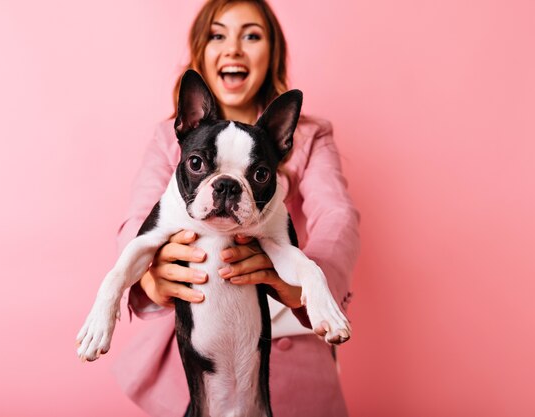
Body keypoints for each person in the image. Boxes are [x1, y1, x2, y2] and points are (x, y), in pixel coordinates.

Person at [113, 1, 360, 416]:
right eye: (217, 34)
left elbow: (338, 219)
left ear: (273, 52)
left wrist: (305, 290)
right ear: (201, 49)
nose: (233, 49)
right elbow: (137, 220)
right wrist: (152, 277)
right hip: (190, 364)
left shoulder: (307, 135)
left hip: (288, 358)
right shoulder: (171, 134)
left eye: (251, 35)